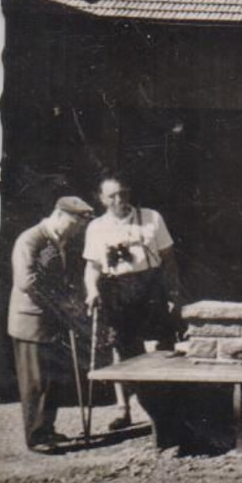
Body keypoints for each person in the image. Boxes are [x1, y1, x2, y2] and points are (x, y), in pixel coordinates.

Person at [83, 173, 184, 431]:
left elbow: (168, 259)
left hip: (150, 286)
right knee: (122, 350)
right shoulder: (96, 227)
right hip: (116, 290)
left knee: (158, 346)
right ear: (102, 199)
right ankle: (123, 409)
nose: (120, 200)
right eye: (112, 196)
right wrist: (92, 290)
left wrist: (173, 291)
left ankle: (161, 410)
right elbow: (92, 267)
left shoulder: (151, 217)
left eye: (124, 193)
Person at [9, 197, 94, 451]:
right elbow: (27, 282)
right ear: (58, 215)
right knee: (35, 381)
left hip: (54, 320)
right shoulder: (30, 239)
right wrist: (60, 305)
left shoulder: (60, 240)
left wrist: (70, 302)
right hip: (31, 320)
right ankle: (35, 437)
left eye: (79, 226)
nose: (76, 230)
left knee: (52, 379)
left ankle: (47, 429)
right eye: (73, 223)